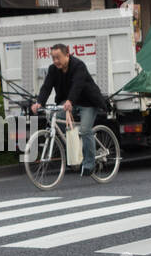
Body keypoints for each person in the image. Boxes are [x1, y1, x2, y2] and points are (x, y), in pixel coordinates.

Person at [31, 43, 106, 176]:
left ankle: (89, 164)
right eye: (53, 58)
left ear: (67, 54)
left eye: (58, 57)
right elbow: (46, 87)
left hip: (87, 102)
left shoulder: (78, 66)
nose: (55, 61)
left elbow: (77, 85)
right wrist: (39, 103)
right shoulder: (53, 69)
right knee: (52, 117)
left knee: (84, 130)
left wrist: (70, 101)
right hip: (68, 103)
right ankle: (74, 149)